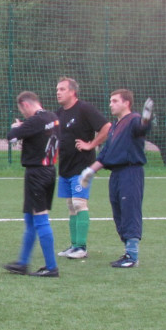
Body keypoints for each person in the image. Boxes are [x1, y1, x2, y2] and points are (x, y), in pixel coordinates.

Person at [80, 90, 153, 268]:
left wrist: (146, 117)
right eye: (110, 101)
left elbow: (142, 128)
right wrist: (89, 171)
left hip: (130, 172)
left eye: (115, 101)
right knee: (118, 211)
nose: (110, 104)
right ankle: (128, 251)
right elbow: (106, 153)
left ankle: (132, 256)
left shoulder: (134, 119)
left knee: (129, 210)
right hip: (116, 174)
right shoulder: (114, 126)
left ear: (126, 103)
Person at [3, 91, 61, 278]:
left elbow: (12, 136)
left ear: (25, 105)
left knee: (41, 218)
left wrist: (16, 126)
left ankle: (51, 267)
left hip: (37, 173)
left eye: (22, 110)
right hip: (49, 170)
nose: (23, 113)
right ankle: (23, 263)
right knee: (30, 218)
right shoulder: (52, 117)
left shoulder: (35, 121)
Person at [55, 77, 111, 260]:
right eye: (57, 89)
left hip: (81, 166)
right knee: (71, 206)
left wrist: (91, 144)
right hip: (65, 166)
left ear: (72, 92)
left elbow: (106, 127)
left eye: (62, 89)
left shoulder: (84, 108)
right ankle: (74, 245)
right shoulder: (59, 113)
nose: (58, 92)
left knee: (79, 204)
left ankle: (81, 247)